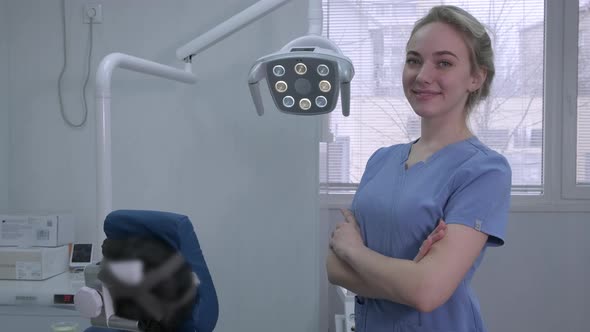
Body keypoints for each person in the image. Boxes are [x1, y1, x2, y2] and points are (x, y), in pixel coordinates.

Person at [326, 5, 511, 332]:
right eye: (414, 60)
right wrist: (409, 278)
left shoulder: (485, 171)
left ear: (476, 77)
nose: (423, 75)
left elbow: (426, 293)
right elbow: (334, 268)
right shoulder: (381, 160)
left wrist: (354, 251)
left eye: (444, 63)